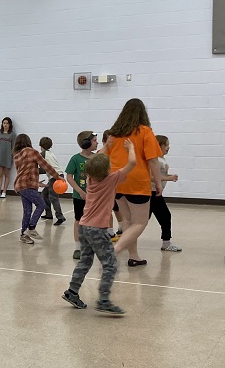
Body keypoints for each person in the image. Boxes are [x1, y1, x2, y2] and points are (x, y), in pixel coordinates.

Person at [62, 140, 136, 315]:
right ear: (107, 170)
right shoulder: (111, 179)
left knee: (85, 261)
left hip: (84, 226)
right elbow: (132, 163)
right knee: (110, 265)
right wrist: (131, 148)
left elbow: (93, 162)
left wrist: (107, 146)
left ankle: (72, 292)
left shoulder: (89, 178)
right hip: (97, 229)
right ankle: (103, 300)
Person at [102, 99, 163, 267]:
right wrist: (158, 183)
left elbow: (104, 155)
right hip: (137, 181)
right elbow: (153, 161)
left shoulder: (114, 133)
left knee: (127, 220)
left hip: (117, 181)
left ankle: (134, 256)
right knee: (140, 222)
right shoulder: (144, 131)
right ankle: (113, 252)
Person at [13, 134, 60, 244]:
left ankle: (23, 234)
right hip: (28, 185)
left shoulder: (16, 155)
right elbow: (45, 165)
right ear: (28, 141)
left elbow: (23, 172)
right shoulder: (32, 151)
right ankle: (31, 227)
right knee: (41, 204)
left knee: (27, 211)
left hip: (20, 185)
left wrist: (37, 183)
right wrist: (58, 177)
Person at [66, 131, 98, 259]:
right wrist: (80, 191)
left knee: (94, 221)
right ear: (86, 143)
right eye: (95, 140)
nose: (97, 143)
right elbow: (69, 177)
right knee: (79, 220)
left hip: (95, 197)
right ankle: (78, 247)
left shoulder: (97, 158)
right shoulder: (75, 159)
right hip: (80, 197)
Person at [150, 135, 181, 252]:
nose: (168, 147)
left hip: (156, 193)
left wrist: (169, 176)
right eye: (166, 145)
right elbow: (151, 177)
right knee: (164, 216)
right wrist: (169, 178)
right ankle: (166, 243)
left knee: (162, 217)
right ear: (159, 145)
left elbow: (159, 176)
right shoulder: (154, 160)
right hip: (152, 193)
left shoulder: (161, 159)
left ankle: (166, 242)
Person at [38, 136, 65, 225]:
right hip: (57, 175)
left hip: (55, 177)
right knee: (44, 194)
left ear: (40, 145)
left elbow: (39, 165)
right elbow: (46, 169)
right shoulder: (50, 154)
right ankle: (48, 214)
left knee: (53, 197)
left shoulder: (43, 153)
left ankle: (60, 217)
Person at [0, 117, 16, 198]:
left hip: (8, 158)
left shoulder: (12, 135)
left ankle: (4, 192)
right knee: (0, 175)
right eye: (4, 123)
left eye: (7, 123)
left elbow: (14, 147)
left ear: (10, 125)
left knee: (7, 175)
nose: (5, 125)